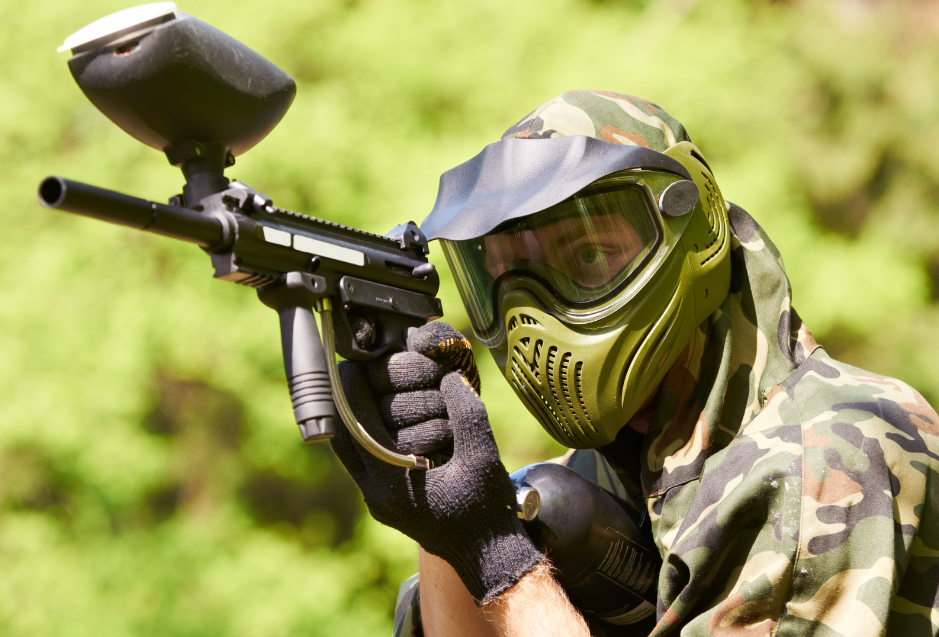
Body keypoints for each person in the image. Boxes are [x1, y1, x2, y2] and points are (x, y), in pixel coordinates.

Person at [329, 91, 939, 636]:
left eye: (589, 254)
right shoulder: (600, 476)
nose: (532, 316)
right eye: (506, 279)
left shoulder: (832, 452)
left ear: (695, 225)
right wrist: (442, 510)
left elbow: (501, 573)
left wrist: (497, 557)